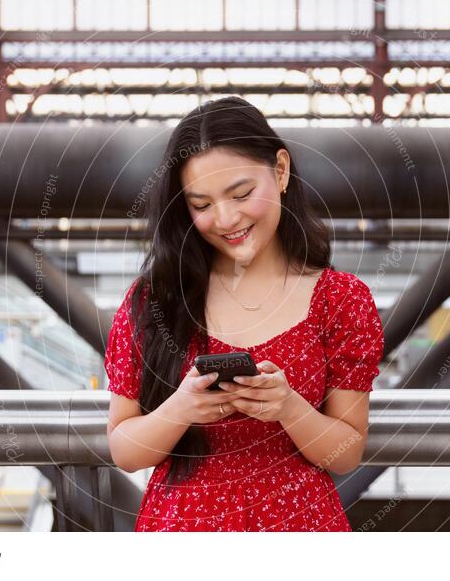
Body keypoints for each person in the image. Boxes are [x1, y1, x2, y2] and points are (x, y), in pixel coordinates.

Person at [104, 96, 384, 531]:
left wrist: (289, 408)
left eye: (241, 194)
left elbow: (346, 453)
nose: (226, 218)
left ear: (281, 170)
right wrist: (182, 407)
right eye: (201, 205)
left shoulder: (341, 299)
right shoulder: (155, 300)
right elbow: (125, 451)